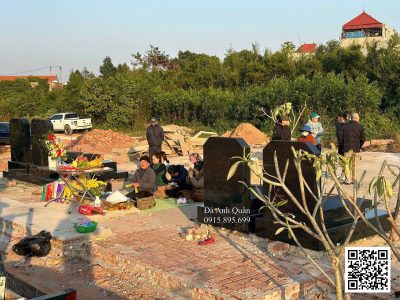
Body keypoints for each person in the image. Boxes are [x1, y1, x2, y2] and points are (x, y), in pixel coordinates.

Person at [338, 113, 366, 184]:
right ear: (357, 118)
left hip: (346, 149)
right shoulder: (360, 127)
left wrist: (341, 146)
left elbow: (340, 138)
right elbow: (363, 139)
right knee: (355, 164)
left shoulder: (344, 126)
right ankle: (354, 179)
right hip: (356, 149)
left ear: (351, 118)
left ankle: (348, 180)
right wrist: (359, 146)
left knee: (347, 164)